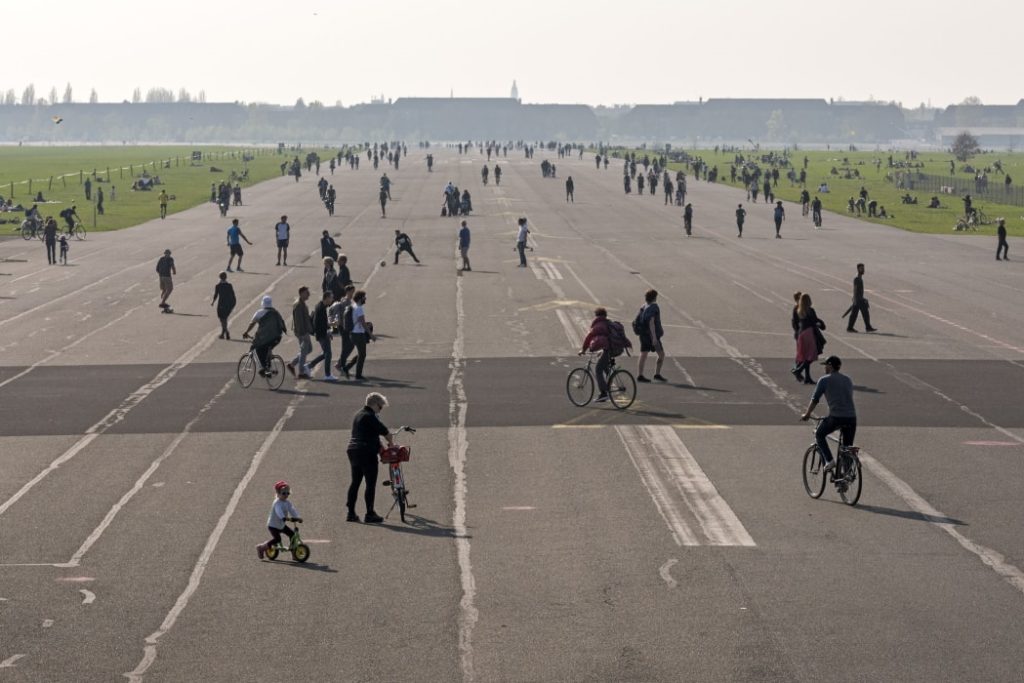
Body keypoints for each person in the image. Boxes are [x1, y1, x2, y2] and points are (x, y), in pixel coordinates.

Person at [800, 355, 857, 472]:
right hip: (852, 418)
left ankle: (829, 461)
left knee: (819, 435)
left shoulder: (824, 380)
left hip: (836, 417)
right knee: (847, 447)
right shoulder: (847, 380)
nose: (824, 367)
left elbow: (815, 399)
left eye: (825, 365)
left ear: (830, 366)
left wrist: (807, 414)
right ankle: (846, 477)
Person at [345, 392, 394, 523]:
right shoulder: (370, 416)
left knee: (355, 482)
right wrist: (391, 445)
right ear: (374, 404)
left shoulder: (358, 415)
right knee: (370, 484)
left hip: (353, 450)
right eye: (380, 407)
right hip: (366, 452)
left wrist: (381, 449)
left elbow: (372, 436)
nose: (380, 410)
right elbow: (386, 433)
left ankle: (350, 513)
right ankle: (370, 513)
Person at [255, 480, 303, 559]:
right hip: (273, 525)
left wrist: (298, 517)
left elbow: (292, 509)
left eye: (288, 493)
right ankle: (261, 547)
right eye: (283, 493)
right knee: (277, 539)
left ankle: (294, 552)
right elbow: (278, 511)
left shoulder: (287, 502)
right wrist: (283, 517)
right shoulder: (277, 503)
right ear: (278, 493)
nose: (286, 495)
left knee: (292, 535)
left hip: (281, 525)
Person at [242, 296, 287, 373]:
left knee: (255, 349)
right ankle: (268, 369)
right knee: (266, 349)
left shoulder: (259, 312)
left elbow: (252, 324)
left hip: (265, 338)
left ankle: (263, 368)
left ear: (262, 303)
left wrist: (246, 332)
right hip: (277, 338)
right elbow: (282, 324)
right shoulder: (276, 312)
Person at [580, 307, 613, 402]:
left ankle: (603, 393)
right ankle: (609, 385)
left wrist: (583, 350)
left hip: (608, 350)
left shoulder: (598, 325)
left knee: (598, 369)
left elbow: (588, 337)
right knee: (605, 367)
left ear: (597, 316)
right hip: (612, 349)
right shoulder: (607, 323)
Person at [792, 293, 825, 384]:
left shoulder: (798, 310)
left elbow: (795, 322)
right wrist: (821, 324)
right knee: (812, 355)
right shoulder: (810, 310)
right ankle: (798, 370)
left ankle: (807, 377)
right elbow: (814, 321)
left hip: (801, 334)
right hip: (809, 333)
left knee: (805, 355)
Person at [635, 289, 666, 382]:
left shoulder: (644, 306)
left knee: (643, 354)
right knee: (661, 354)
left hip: (643, 335)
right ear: (654, 297)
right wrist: (654, 338)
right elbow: (651, 323)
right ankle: (657, 373)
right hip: (652, 336)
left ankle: (640, 375)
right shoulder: (654, 307)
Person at [306, 289, 337, 381]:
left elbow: (322, 322)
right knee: (328, 353)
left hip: (322, 334)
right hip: (321, 335)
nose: (332, 299)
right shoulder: (320, 308)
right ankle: (327, 375)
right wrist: (332, 325)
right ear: (326, 298)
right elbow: (318, 323)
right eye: (331, 298)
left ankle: (309, 366)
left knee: (325, 353)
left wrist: (328, 329)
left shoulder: (321, 306)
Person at [342, 289, 372, 381]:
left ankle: (347, 368)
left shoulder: (353, 306)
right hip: (358, 334)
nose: (365, 299)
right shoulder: (359, 308)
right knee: (362, 354)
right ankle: (358, 375)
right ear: (360, 298)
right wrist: (371, 335)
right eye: (364, 298)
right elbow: (362, 323)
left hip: (353, 334)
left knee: (361, 353)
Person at [288, 287, 313, 379]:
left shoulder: (302, 304)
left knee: (308, 349)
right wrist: (303, 333)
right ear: (302, 293)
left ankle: (292, 364)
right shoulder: (298, 305)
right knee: (304, 350)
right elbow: (298, 321)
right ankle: (301, 372)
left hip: (304, 331)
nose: (309, 294)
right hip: (302, 332)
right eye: (307, 293)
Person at [846, 263, 876, 332]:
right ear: (858, 269)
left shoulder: (859, 277)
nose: (863, 270)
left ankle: (851, 327)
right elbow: (855, 289)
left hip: (858, 299)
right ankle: (866, 327)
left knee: (857, 314)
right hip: (858, 300)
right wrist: (856, 299)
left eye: (863, 268)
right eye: (861, 268)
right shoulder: (857, 278)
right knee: (860, 314)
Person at [210, 271, 236, 339]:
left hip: (221, 304)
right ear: (226, 277)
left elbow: (216, 295)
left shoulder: (218, 286)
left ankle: (226, 332)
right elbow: (233, 295)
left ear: (219, 277)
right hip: (228, 304)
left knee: (222, 319)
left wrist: (213, 301)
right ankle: (223, 333)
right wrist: (233, 304)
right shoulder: (229, 285)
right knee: (225, 319)